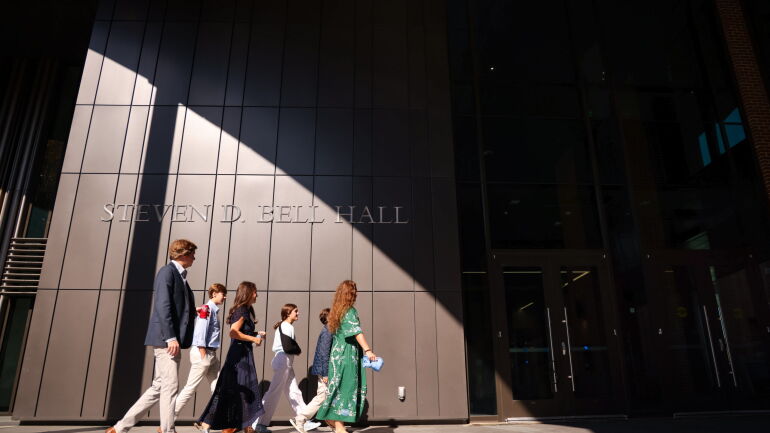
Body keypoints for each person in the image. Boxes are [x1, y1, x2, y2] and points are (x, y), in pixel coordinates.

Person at [106, 239, 198, 433]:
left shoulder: (180, 276)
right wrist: (171, 337)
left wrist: (193, 311)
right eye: (191, 254)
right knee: (170, 387)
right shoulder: (167, 272)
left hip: (171, 339)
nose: (194, 257)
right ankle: (167, 430)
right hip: (167, 340)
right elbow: (162, 306)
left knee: (158, 387)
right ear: (182, 254)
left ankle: (120, 427)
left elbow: (177, 307)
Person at [197, 281, 267, 433]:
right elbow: (233, 332)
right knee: (237, 388)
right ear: (247, 293)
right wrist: (254, 339)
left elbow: (242, 332)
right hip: (238, 356)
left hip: (243, 353)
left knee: (241, 388)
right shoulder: (241, 310)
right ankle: (218, 424)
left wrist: (256, 334)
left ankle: (244, 426)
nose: (257, 295)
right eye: (254, 292)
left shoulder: (247, 310)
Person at [316, 281, 377, 433]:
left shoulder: (337, 311)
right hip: (347, 356)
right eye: (354, 291)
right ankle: (338, 425)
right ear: (349, 293)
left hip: (337, 356)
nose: (356, 293)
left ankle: (333, 419)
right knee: (347, 388)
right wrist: (368, 350)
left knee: (338, 387)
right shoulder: (349, 311)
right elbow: (357, 332)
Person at [253, 305, 320, 433]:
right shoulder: (287, 326)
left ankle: (303, 421)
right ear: (288, 313)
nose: (298, 313)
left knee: (294, 392)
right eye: (296, 311)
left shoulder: (284, 325)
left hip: (284, 360)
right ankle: (258, 423)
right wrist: (298, 350)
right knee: (273, 392)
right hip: (283, 360)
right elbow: (288, 345)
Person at [172, 283, 227, 423]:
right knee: (190, 389)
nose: (225, 297)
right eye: (223, 294)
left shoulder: (213, 310)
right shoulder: (206, 309)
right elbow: (200, 333)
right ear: (214, 294)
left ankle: (210, 421)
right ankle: (168, 421)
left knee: (219, 388)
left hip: (211, 354)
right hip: (204, 353)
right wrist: (204, 355)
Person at [291, 308, 333, 433]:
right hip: (324, 369)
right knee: (322, 396)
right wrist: (325, 373)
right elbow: (324, 353)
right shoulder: (328, 331)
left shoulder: (329, 330)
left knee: (327, 396)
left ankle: (333, 424)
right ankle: (301, 418)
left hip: (324, 368)